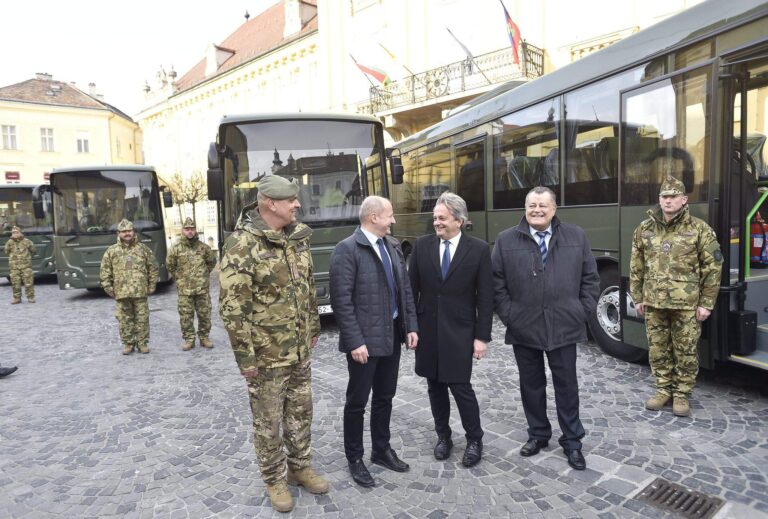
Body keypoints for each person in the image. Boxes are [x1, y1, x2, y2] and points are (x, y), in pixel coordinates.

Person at [219, 175, 327, 513]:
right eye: (291, 200)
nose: (297, 204)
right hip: (266, 356)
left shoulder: (297, 238)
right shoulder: (242, 244)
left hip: (299, 349)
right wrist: (245, 358)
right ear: (270, 203)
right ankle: (274, 479)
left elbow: (308, 287)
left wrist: (313, 326)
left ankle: (300, 466)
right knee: (268, 422)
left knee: (301, 410)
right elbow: (233, 308)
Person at [492, 186, 599, 471]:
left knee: (567, 386)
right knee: (531, 385)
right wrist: (510, 315)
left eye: (542, 205)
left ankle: (572, 441)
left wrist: (581, 311)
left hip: (564, 326)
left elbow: (590, 278)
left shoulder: (576, 236)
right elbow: (496, 283)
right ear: (525, 208)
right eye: (532, 205)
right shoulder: (505, 240)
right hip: (524, 326)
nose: (536, 210)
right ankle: (538, 434)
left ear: (554, 209)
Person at [329, 196, 419, 488]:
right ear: (373, 217)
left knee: (384, 397)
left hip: (392, 336)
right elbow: (341, 301)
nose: (393, 220)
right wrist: (355, 341)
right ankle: (355, 458)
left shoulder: (392, 245)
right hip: (364, 343)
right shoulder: (347, 249)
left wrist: (411, 325)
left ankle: (381, 449)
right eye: (389, 215)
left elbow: (405, 289)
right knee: (357, 402)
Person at [408, 192, 493, 467]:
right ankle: (443, 437)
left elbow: (486, 298)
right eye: (435, 218)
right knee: (434, 386)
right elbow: (410, 292)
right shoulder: (421, 246)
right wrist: (411, 328)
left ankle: (475, 439)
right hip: (428, 331)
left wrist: (482, 337)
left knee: (460, 386)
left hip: (460, 332)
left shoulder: (478, 250)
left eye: (442, 218)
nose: (437, 223)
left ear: (459, 220)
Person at [630, 176, 722, 417]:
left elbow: (713, 267)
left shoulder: (699, 229)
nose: (668, 200)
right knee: (658, 348)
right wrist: (637, 297)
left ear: (684, 199)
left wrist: (706, 303)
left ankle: (682, 394)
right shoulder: (644, 229)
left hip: (686, 304)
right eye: (664, 196)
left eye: (673, 196)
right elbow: (636, 266)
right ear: (659, 199)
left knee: (686, 351)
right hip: (654, 302)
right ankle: (663, 390)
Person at [100, 219, 159, 355]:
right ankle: (128, 343)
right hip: (121, 293)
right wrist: (109, 289)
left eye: (129, 231)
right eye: (124, 231)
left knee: (142, 318)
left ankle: (142, 343)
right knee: (124, 320)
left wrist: (152, 285)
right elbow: (105, 271)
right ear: (118, 233)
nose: (127, 234)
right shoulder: (111, 251)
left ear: (133, 232)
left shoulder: (143, 249)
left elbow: (153, 267)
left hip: (140, 292)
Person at [167, 217, 217, 351]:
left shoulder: (204, 248)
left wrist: (203, 275)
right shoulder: (175, 248)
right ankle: (189, 339)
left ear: (196, 230)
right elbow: (170, 265)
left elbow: (212, 262)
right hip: (185, 290)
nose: (190, 231)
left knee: (205, 315)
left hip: (202, 289)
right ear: (183, 231)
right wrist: (180, 278)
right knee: (186, 316)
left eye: (192, 229)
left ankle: (204, 337)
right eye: (187, 229)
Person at [4, 226, 36, 304]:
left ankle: (30, 297)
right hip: (14, 267)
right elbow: (6, 252)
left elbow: (34, 251)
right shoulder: (9, 242)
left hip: (26, 266)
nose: (15, 234)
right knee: (15, 283)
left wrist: (27, 258)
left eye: (16, 232)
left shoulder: (27, 241)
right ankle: (17, 298)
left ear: (20, 232)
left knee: (29, 282)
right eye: (13, 232)